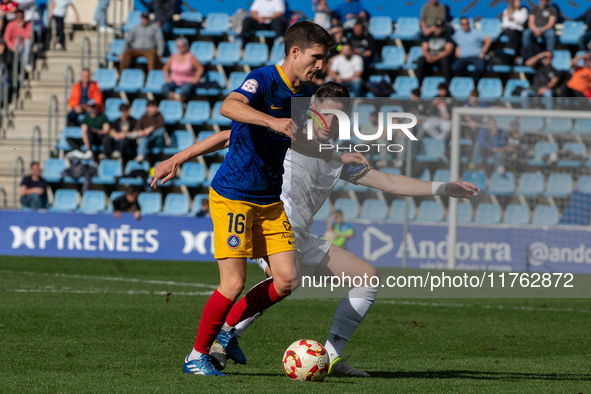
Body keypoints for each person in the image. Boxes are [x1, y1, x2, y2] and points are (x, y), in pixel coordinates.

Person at [184, 82, 479, 377]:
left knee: (367, 278)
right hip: (271, 223)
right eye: (325, 114)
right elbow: (227, 137)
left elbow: (389, 182)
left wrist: (443, 187)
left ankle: (332, 358)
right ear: (311, 110)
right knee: (287, 277)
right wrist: (177, 159)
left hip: (301, 234)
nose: (330, 123)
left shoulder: (338, 156)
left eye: (338, 117)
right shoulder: (287, 134)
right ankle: (224, 334)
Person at [151, 22, 369, 377]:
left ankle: (227, 331)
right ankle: (196, 355)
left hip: (268, 201)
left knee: (286, 279)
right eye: (316, 57)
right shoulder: (264, 80)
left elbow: (296, 140)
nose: (320, 65)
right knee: (233, 283)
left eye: (324, 58)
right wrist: (177, 158)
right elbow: (229, 108)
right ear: (295, 52)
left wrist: (338, 156)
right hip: (234, 196)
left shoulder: (303, 96)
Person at [161, 37, 204, 102]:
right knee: (165, 87)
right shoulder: (173, 57)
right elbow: (165, 68)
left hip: (187, 80)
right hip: (174, 80)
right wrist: (167, 78)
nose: (181, 48)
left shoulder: (191, 57)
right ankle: (176, 101)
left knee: (186, 89)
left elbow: (200, 68)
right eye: (179, 46)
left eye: (183, 46)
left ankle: (180, 101)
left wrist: (196, 79)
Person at [451, 17, 492, 84]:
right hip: (463, 57)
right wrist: (457, 49)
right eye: (463, 24)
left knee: (481, 68)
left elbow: (489, 39)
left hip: (477, 56)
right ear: (460, 25)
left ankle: (474, 80)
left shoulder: (476, 32)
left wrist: (483, 51)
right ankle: (469, 79)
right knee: (455, 67)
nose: (465, 25)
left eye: (467, 24)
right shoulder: (457, 34)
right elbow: (456, 43)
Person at [416, 19, 454, 86]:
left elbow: (448, 51)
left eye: (440, 27)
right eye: (437, 26)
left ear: (443, 27)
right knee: (421, 60)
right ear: (434, 27)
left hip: (440, 58)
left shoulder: (446, 36)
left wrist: (436, 57)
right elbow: (424, 48)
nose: (438, 29)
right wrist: (427, 56)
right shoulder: (429, 36)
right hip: (430, 57)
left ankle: (447, 83)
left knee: (445, 61)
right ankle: (419, 84)